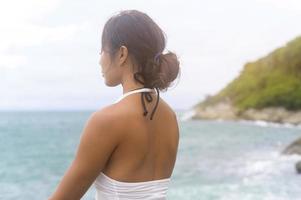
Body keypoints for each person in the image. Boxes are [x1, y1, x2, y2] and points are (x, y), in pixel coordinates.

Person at [49, 9, 180, 200]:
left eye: (102, 51)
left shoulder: (107, 120)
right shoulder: (170, 116)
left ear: (121, 54)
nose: (100, 60)